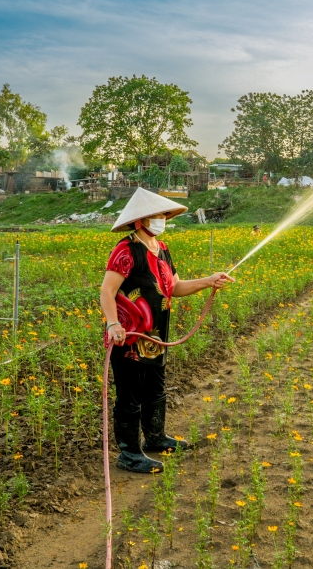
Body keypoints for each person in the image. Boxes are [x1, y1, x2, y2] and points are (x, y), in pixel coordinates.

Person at [100, 188, 235, 473]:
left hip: (157, 336)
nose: (161, 219)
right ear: (139, 221)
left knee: (155, 387)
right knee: (131, 393)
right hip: (130, 336)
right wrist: (113, 323)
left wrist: (209, 280)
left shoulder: (162, 250)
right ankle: (129, 454)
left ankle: (155, 438)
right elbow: (107, 291)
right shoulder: (126, 250)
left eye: (163, 214)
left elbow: (174, 287)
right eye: (155, 215)